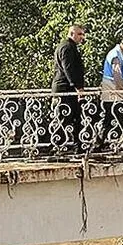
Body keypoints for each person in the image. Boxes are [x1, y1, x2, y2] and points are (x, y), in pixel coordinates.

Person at [96, 36, 123, 150]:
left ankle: (122, 143)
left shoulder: (118, 54)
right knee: (119, 117)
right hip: (113, 91)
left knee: (113, 118)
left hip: (113, 91)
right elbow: (117, 75)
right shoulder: (116, 55)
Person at [51, 24, 87, 153]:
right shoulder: (67, 47)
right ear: (72, 33)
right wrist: (78, 87)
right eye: (79, 34)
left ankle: (76, 145)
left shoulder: (69, 46)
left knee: (75, 117)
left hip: (67, 88)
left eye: (83, 34)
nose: (82, 37)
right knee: (64, 118)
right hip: (64, 89)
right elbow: (69, 69)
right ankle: (57, 147)